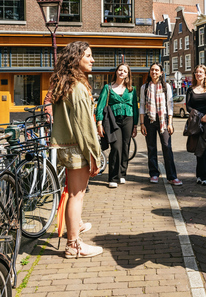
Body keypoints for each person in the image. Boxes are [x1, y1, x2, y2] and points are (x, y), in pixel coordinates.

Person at [49, 41, 103, 258]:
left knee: (73, 194)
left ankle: (74, 228)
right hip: (78, 148)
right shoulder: (79, 88)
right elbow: (85, 125)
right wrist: (94, 154)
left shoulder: (65, 84)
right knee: (76, 196)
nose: (92, 60)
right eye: (88, 56)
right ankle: (73, 245)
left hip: (66, 146)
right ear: (76, 59)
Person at [96, 63, 139, 188]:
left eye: (124, 71)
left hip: (128, 120)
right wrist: (99, 122)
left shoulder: (132, 89)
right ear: (116, 72)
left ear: (127, 74)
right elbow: (100, 106)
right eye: (120, 70)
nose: (122, 72)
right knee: (116, 147)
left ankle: (122, 174)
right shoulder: (107, 88)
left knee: (125, 147)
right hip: (113, 121)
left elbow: (135, 108)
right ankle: (113, 177)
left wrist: (135, 125)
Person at [139, 63, 182, 186]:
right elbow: (142, 105)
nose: (154, 72)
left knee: (167, 147)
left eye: (157, 70)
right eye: (152, 70)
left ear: (161, 72)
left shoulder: (166, 86)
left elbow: (170, 105)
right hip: (149, 120)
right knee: (151, 148)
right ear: (150, 72)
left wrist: (170, 123)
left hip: (163, 119)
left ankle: (172, 176)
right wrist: (142, 124)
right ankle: (154, 174)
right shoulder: (144, 87)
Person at [186, 65, 206, 186]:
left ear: (205, 74)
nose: (198, 74)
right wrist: (197, 115)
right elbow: (188, 106)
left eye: (201, 72)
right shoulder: (190, 89)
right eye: (196, 72)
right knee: (197, 148)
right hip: (196, 121)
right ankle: (199, 175)